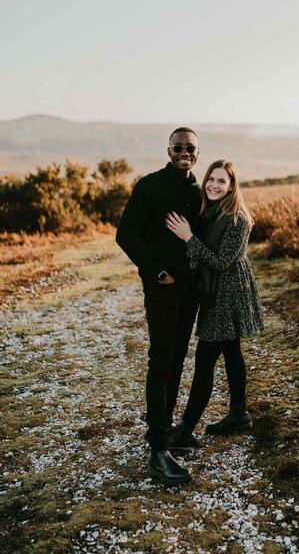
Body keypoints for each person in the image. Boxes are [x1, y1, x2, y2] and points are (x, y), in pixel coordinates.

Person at [115, 127, 202, 486]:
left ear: (197, 152)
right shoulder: (150, 186)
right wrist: (157, 272)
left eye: (190, 147)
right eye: (178, 147)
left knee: (178, 358)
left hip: (190, 292)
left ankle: (165, 436)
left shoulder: (199, 192)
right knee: (161, 360)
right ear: (169, 151)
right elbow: (126, 233)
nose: (184, 151)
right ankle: (156, 451)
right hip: (163, 289)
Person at [165, 159, 264, 452]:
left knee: (205, 359)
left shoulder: (237, 220)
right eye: (211, 179)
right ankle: (238, 414)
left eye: (222, 181)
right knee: (231, 349)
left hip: (228, 295)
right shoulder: (210, 213)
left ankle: (184, 430)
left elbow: (220, 261)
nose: (214, 185)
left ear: (232, 186)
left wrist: (188, 238)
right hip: (215, 293)